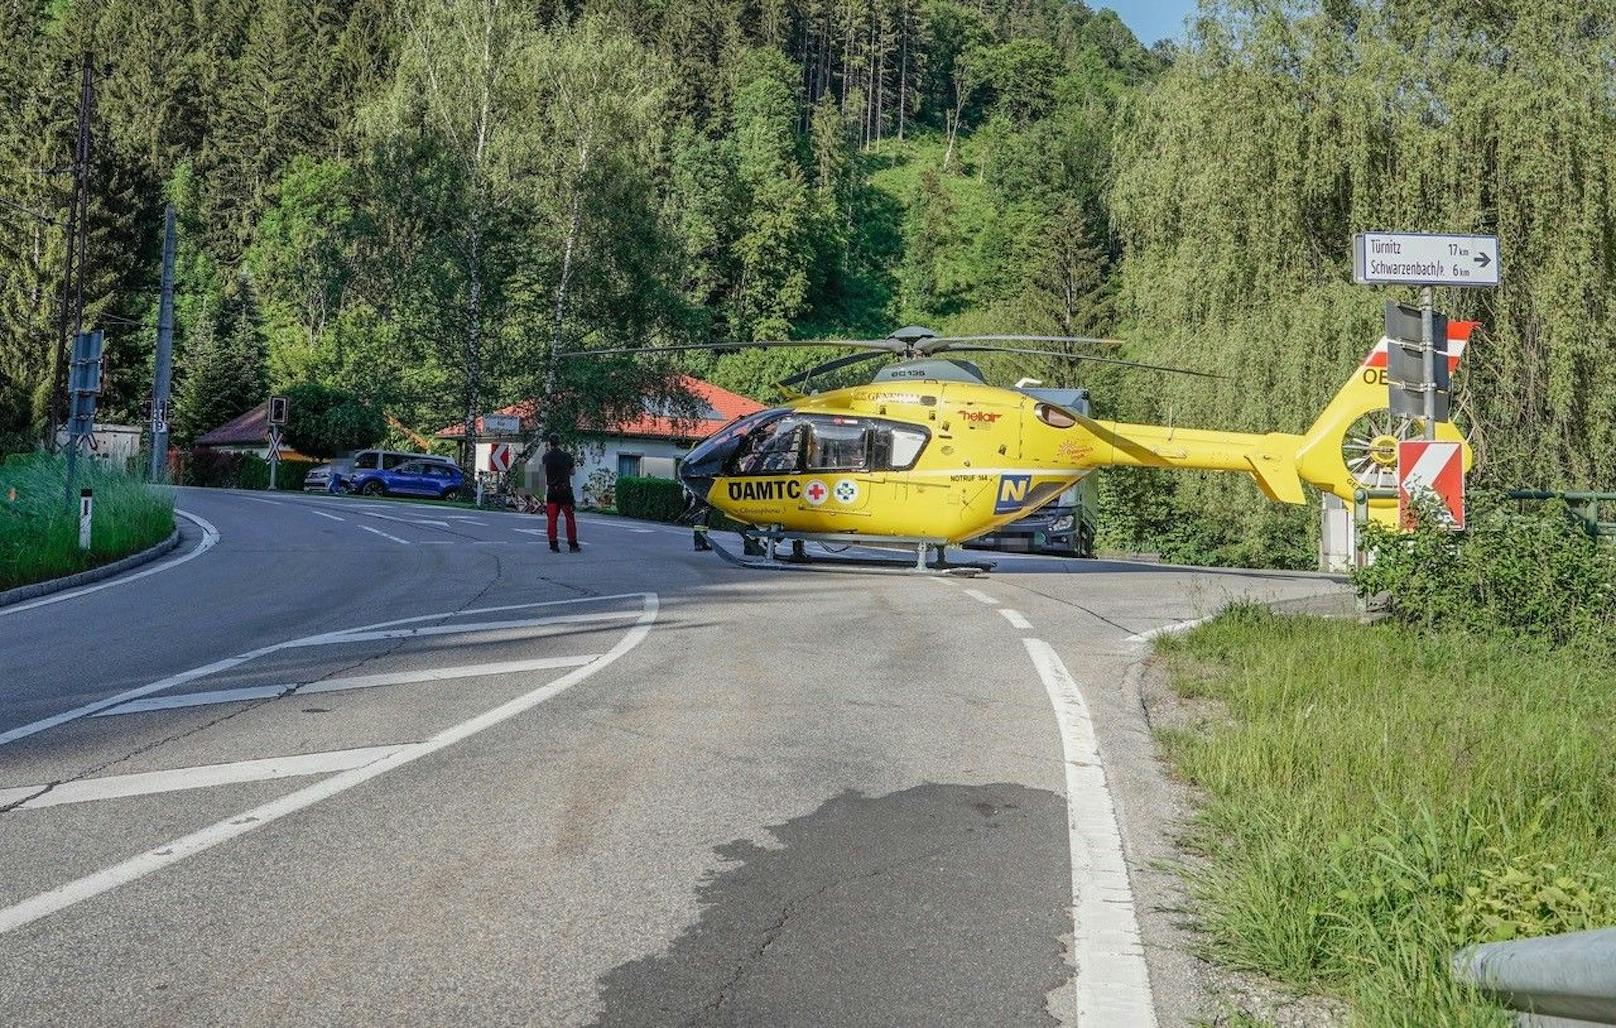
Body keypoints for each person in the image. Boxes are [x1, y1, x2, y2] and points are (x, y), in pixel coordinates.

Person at [541, 434, 580, 553]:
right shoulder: (567, 456)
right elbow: (573, 472)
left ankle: (553, 544)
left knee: (552, 519)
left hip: (552, 491)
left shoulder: (546, 457)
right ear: (560, 443)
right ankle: (572, 544)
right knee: (569, 517)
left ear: (549, 443)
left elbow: (544, 472)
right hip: (565, 491)